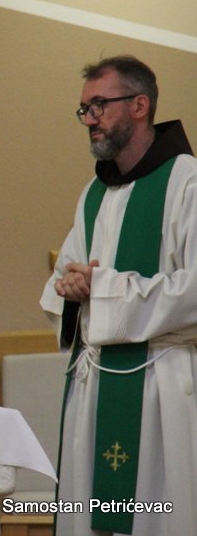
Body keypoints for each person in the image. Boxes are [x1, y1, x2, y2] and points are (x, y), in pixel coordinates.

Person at [41, 56, 197, 535]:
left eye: (99, 106)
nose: (89, 119)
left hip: (161, 386)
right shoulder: (95, 192)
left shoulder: (186, 181)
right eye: (84, 109)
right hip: (95, 388)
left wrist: (103, 289)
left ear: (140, 106)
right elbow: (68, 275)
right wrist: (70, 289)